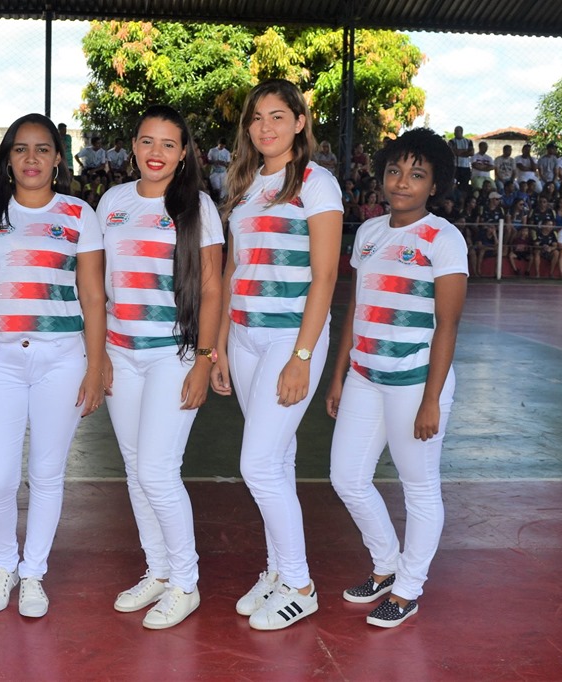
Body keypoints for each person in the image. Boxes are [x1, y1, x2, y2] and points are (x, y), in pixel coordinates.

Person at [0, 113, 107, 620]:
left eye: (43, 149)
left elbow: (94, 297)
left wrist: (96, 366)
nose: (32, 158)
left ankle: (33, 572)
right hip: (0, 360)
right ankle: (3, 565)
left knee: (46, 473)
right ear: (7, 158)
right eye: (21, 149)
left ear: (59, 157)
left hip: (62, 359)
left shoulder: (80, 213)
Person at [210, 78, 344, 631]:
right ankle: (276, 570)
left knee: (258, 463)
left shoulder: (317, 183)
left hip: (291, 338)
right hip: (243, 338)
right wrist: (217, 345)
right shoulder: (241, 186)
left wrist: (303, 354)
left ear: (298, 122)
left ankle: (301, 583)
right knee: (278, 460)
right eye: (256, 118)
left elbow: (326, 274)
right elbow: (233, 271)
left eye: (277, 116)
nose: (265, 127)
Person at [327, 127, 468, 629]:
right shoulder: (367, 233)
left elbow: (448, 325)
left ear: (435, 184)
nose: (402, 182)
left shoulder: (443, 238)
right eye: (394, 170)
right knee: (346, 476)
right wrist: (341, 376)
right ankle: (386, 565)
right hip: (366, 377)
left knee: (419, 487)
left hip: (415, 380)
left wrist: (432, 398)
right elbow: (357, 309)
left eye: (417, 174)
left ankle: (409, 588)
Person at [99, 105, 223, 630]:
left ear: (185, 153)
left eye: (168, 144)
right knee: (134, 469)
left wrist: (204, 358)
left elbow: (214, 287)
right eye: (147, 141)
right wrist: (97, 354)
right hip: (119, 354)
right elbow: (97, 281)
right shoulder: (112, 202)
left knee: (156, 470)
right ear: (133, 146)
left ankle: (186, 583)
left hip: (172, 355)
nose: (156, 153)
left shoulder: (196, 206)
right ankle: (158, 569)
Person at [448, 126, 473, 192]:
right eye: (455, 131)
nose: (455, 133)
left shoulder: (468, 141)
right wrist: (465, 151)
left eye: (457, 131)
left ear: (461, 132)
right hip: (455, 167)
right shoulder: (451, 141)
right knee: (453, 184)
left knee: (464, 186)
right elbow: (453, 152)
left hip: (466, 167)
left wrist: (459, 152)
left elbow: (471, 153)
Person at [207, 137, 231, 203]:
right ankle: (216, 201)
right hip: (215, 172)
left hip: (223, 173)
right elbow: (209, 160)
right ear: (218, 144)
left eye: (223, 146)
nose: (221, 147)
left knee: (223, 189)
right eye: (220, 145)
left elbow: (229, 163)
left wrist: (224, 163)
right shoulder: (212, 151)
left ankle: (222, 202)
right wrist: (215, 162)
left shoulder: (227, 153)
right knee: (216, 188)